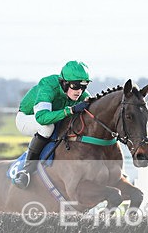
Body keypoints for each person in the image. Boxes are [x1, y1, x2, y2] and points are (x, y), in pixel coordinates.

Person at [12, 60, 91, 188]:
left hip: (52, 118)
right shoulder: (47, 86)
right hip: (27, 118)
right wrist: (70, 110)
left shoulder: (79, 92)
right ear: (64, 84)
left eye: (84, 86)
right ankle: (26, 171)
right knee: (47, 127)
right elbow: (42, 118)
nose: (79, 91)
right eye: (75, 86)